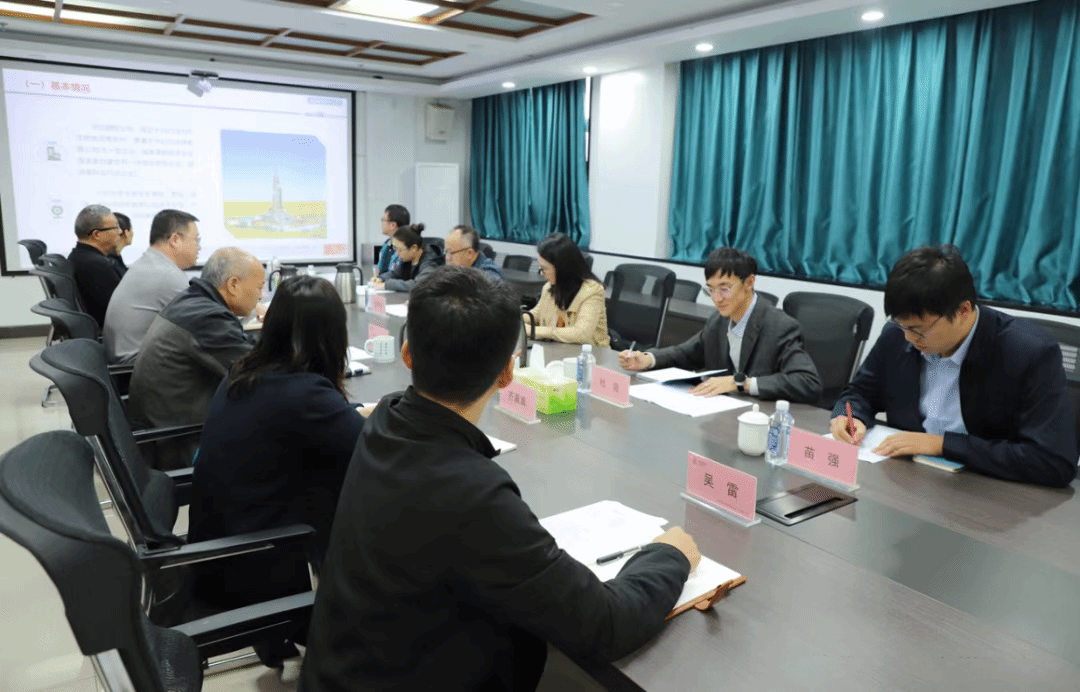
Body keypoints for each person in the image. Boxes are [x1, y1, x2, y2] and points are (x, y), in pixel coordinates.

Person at [300, 266, 698, 692]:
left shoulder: (385, 419)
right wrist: (667, 556)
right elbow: (604, 625)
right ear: (508, 374)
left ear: (407, 354)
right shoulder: (471, 494)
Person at [831, 245, 1078, 488]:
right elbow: (859, 393)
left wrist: (942, 445)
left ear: (963, 311)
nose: (908, 338)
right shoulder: (897, 336)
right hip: (909, 480)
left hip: (988, 491)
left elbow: (1053, 461)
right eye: (901, 326)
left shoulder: (1027, 352)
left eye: (918, 330)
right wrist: (848, 415)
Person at [188, 274, 365, 613]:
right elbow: (370, 447)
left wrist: (353, 412)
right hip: (258, 562)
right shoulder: (303, 393)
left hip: (224, 544)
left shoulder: (247, 370)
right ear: (332, 334)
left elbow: (330, 423)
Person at [619, 248, 821, 403]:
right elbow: (686, 353)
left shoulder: (780, 326)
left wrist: (741, 383)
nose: (717, 298)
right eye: (711, 290)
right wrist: (648, 359)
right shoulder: (718, 321)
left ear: (749, 282)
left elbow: (808, 382)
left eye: (724, 289)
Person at [127, 247, 264, 471]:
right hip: (181, 443)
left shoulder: (191, 302)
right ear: (233, 285)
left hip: (162, 429)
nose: (261, 296)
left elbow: (240, 350)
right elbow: (259, 373)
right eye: (259, 287)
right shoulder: (207, 317)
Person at [103, 209, 201, 363]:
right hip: (136, 369)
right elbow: (205, 325)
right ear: (175, 240)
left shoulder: (150, 263)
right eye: (196, 239)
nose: (199, 247)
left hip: (129, 362)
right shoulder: (167, 275)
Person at [524, 232, 610, 347]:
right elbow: (536, 315)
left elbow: (581, 333)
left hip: (591, 355)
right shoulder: (549, 287)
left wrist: (533, 331)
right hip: (557, 350)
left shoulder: (592, 290)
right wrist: (514, 320)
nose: (541, 273)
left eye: (544, 269)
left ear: (562, 268)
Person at [67, 204, 127, 327]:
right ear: (97, 234)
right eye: (116, 227)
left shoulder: (78, 256)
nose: (120, 232)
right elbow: (123, 307)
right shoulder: (97, 265)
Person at [371, 223, 440, 292]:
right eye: (396, 249)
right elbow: (395, 273)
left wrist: (386, 285)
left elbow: (419, 285)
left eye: (400, 250)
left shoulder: (430, 262)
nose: (398, 253)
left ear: (413, 248)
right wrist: (381, 278)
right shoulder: (407, 258)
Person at [376, 204, 410, 278]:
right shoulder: (387, 243)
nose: (382, 223)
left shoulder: (407, 246)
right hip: (383, 283)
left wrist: (381, 279)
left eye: (383, 220)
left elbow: (396, 274)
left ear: (393, 225)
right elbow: (379, 270)